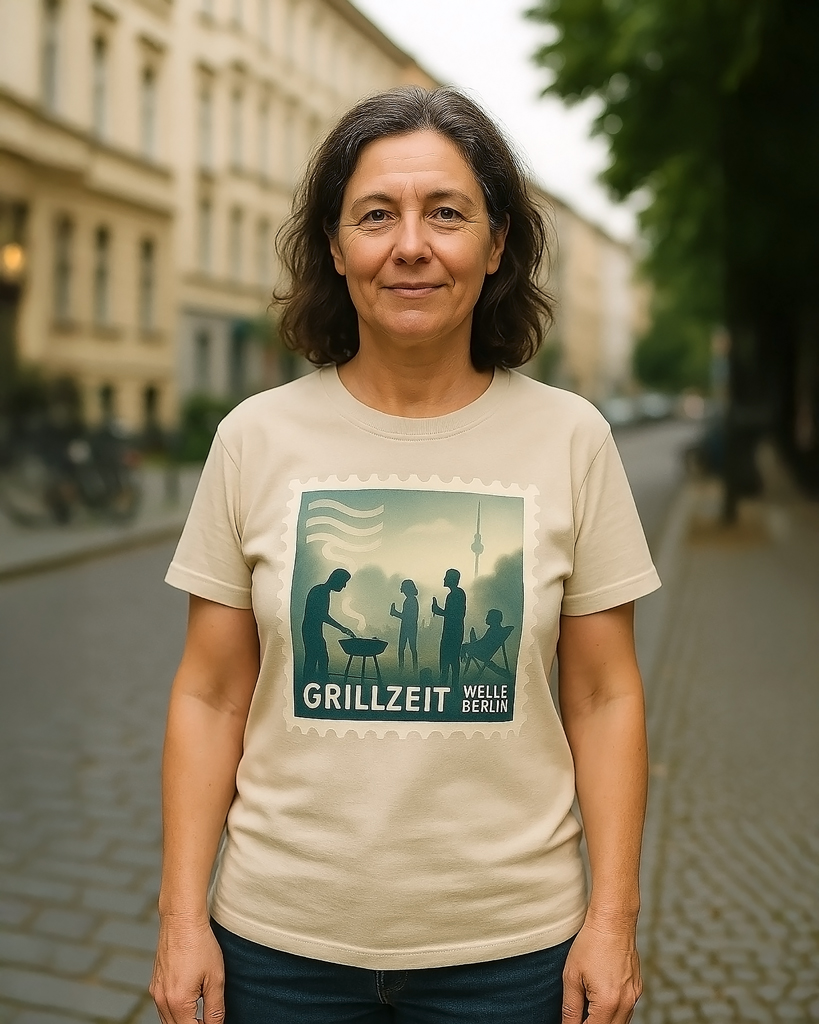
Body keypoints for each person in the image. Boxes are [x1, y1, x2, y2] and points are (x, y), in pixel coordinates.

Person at [151, 87, 660, 1024]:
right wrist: (183, 918)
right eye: (376, 215)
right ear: (336, 248)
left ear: (496, 244)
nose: (411, 245)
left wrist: (613, 916)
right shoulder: (252, 438)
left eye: (447, 213)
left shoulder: (573, 439)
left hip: (510, 952)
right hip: (277, 947)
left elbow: (603, 694)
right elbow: (211, 692)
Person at [431, 568, 467, 687]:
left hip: (452, 632)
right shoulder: (457, 593)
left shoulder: (455, 594)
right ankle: (452, 685)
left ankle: (445, 684)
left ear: (452, 579)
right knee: (453, 658)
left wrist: (437, 610)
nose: (444, 579)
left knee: (447, 658)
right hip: (455, 631)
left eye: (446, 577)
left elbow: (452, 614)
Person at [389, 578, 419, 672]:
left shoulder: (410, 601)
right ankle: (412, 670)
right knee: (410, 649)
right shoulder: (411, 600)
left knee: (406, 649)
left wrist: (395, 613)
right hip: (410, 627)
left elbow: (407, 617)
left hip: (408, 627)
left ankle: (404, 670)